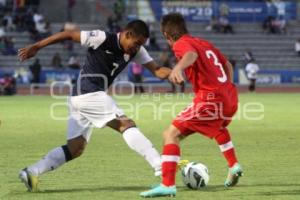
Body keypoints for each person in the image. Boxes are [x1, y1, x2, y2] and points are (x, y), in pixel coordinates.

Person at [18, 19, 171, 192]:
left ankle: (31, 171)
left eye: (140, 45)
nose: (136, 48)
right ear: (127, 34)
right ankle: (162, 168)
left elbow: (157, 70)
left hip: (79, 98)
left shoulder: (136, 51)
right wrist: (37, 46)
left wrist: (176, 72)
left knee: (75, 148)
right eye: (136, 43)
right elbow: (68, 34)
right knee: (125, 124)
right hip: (88, 93)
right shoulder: (101, 38)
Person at [140, 13, 243, 197]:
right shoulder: (203, 42)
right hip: (229, 96)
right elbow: (227, 64)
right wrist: (227, 86)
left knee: (170, 134)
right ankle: (234, 165)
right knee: (217, 126)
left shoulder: (181, 44)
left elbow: (190, 55)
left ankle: (167, 184)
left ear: (166, 35)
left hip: (210, 99)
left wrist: (178, 68)